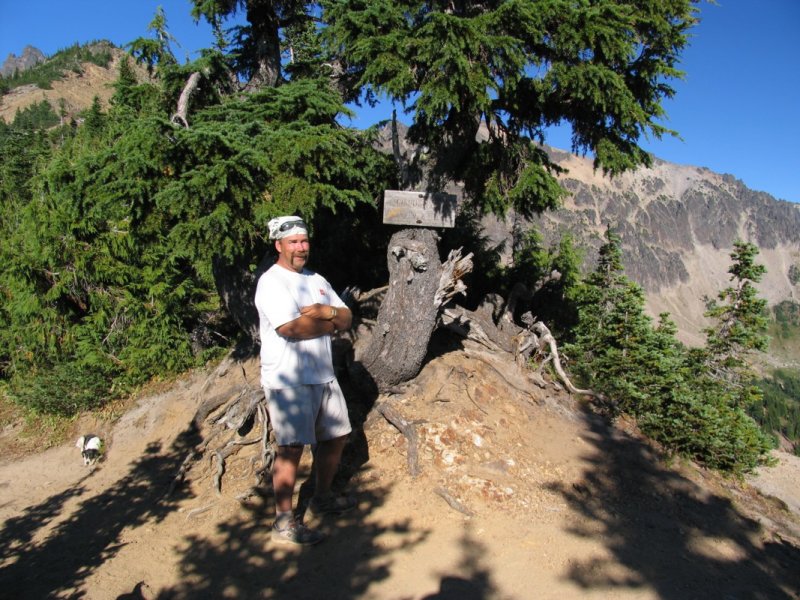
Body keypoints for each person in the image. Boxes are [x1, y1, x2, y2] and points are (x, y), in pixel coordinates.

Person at [254, 215, 356, 545]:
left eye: (304, 241)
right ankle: (283, 521)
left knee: (336, 436)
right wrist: (332, 324)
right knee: (291, 447)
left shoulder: (317, 280)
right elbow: (291, 329)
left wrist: (325, 313)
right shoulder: (271, 282)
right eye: (293, 242)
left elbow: (347, 315)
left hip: (323, 375)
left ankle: (321, 498)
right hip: (288, 379)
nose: (301, 247)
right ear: (278, 245)